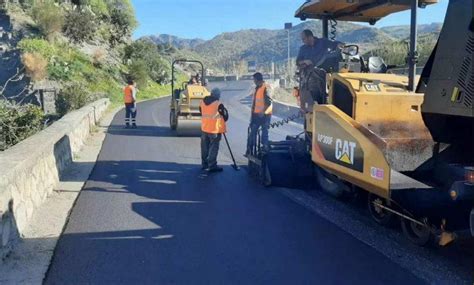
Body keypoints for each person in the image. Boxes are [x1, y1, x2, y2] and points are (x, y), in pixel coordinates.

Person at [200, 88, 229, 172]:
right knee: (213, 148)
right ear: (217, 95)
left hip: (204, 129)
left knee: (204, 148)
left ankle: (204, 164)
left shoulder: (202, 102)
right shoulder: (218, 104)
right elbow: (225, 117)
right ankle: (212, 165)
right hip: (214, 130)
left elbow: (201, 112)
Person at [246, 72, 272, 156]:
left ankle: (265, 148)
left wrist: (263, 111)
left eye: (254, 80)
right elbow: (255, 103)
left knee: (264, 132)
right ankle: (249, 150)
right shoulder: (257, 88)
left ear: (257, 80)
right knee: (252, 133)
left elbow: (269, 101)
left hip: (265, 115)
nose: (253, 81)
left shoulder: (266, 88)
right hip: (256, 115)